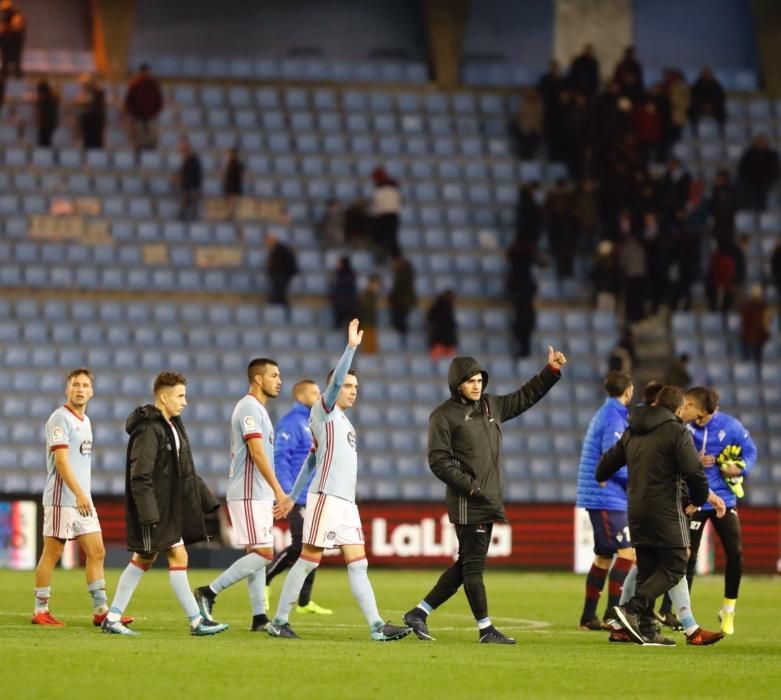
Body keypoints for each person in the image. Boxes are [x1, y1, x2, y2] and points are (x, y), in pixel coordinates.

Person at [403, 346, 566, 644]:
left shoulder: (492, 406)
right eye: (470, 381)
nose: (477, 386)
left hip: (487, 498)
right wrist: (472, 487)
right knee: (474, 566)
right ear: (457, 385)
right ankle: (486, 629)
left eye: (480, 380)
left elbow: (525, 396)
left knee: (466, 563)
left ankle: (419, 613)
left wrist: (550, 371)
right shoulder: (443, 416)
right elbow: (437, 461)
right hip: (469, 501)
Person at [267, 319, 411, 642]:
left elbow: (312, 460)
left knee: (358, 564)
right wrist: (351, 348)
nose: (353, 391)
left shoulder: (344, 424)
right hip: (326, 498)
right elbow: (314, 459)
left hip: (347, 504)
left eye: (356, 387)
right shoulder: (324, 410)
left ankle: (377, 627)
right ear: (334, 388)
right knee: (308, 560)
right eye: (347, 386)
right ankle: (278, 620)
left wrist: (291, 495)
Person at [101, 372, 229, 636]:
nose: (185, 402)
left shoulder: (172, 425)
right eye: (180, 396)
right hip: (154, 510)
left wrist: (206, 499)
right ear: (163, 396)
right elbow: (140, 474)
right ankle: (196, 621)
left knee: (145, 559)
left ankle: (113, 617)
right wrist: (148, 512)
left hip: (167, 509)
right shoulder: (148, 428)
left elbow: (185, 468)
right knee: (172, 556)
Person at [597, 385, 710, 646]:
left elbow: (605, 465)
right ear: (679, 408)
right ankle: (631, 609)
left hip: (636, 510)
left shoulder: (632, 430)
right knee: (676, 564)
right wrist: (699, 499)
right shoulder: (677, 431)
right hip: (667, 510)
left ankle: (646, 629)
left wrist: (602, 477)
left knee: (647, 569)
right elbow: (694, 471)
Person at [194, 359, 289, 632]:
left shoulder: (258, 409)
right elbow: (257, 452)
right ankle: (209, 592)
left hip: (257, 492)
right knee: (263, 553)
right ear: (258, 379)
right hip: (249, 491)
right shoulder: (248, 407)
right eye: (274, 375)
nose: (278, 380)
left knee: (256, 553)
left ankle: (259, 617)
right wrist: (280, 492)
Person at [33, 369, 131, 628]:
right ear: (67, 389)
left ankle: (100, 610)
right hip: (61, 498)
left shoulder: (85, 421)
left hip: (81, 498)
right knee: (52, 552)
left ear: (92, 392)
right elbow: (61, 461)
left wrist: (82, 494)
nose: (80, 389)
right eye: (75, 384)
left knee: (97, 551)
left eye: (85, 385)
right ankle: (40, 610)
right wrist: (77, 493)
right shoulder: (59, 419)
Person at [681, 386, 758, 636]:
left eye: (704, 416)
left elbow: (751, 451)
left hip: (724, 499)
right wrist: (694, 460)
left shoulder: (731, 426)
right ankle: (683, 614)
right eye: (698, 416)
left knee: (735, 553)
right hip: (696, 499)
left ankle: (728, 610)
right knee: (686, 558)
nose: (699, 420)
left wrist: (740, 468)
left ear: (711, 412)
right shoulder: (685, 425)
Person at [264, 379, 332, 615]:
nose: (319, 395)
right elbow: (280, 459)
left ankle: (304, 602)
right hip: (297, 496)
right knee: (299, 544)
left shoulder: (315, 423)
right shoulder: (291, 423)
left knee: (315, 545)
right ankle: (265, 579)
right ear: (301, 396)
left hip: (315, 495)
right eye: (314, 392)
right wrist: (285, 494)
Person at [575, 371, 635, 631]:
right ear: (629, 391)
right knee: (627, 552)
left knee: (603, 556)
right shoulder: (614, 417)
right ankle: (614, 616)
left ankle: (589, 617)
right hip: (607, 497)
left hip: (601, 495)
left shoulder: (607, 413)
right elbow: (613, 458)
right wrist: (635, 481)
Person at [124, 63, 164, 152]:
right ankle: (140, 156)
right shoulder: (135, 85)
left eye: (147, 72)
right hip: (138, 117)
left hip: (151, 116)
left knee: (152, 139)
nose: (146, 74)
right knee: (140, 140)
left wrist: (154, 112)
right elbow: (129, 101)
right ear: (141, 72)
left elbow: (159, 101)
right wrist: (135, 113)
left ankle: (151, 157)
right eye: (144, 72)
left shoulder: (154, 85)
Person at [738, 134, 780, 212]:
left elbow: (775, 169)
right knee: (751, 202)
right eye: (760, 141)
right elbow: (743, 168)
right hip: (751, 183)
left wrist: (771, 179)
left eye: (763, 141)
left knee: (763, 202)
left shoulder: (771, 154)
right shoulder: (749, 154)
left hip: (765, 183)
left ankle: (762, 214)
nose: (761, 142)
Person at [370, 166, 401, 259]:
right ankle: (395, 256)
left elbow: (377, 205)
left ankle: (383, 256)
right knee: (392, 237)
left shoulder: (379, 190)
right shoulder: (394, 188)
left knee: (382, 236)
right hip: (393, 214)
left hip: (383, 215)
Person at [387, 255, 416, 345]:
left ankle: (401, 340)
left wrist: (392, 298)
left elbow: (399, 288)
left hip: (401, 302)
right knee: (401, 321)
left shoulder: (403, 274)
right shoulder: (407, 273)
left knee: (400, 321)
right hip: (403, 301)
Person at [265, 232, 298, 308]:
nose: (267, 243)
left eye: (269, 240)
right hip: (279, 276)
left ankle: (282, 310)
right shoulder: (276, 249)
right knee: (279, 295)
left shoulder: (281, 249)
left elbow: (287, 263)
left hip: (282, 276)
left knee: (278, 295)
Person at [75, 74, 105, 150]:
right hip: (93, 118)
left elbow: (86, 102)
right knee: (90, 140)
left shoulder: (96, 92)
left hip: (93, 119)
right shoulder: (94, 92)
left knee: (93, 140)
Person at [426, 289, 458, 360]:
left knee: (442, 362)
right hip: (441, 340)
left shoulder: (436, 307)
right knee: (448, 363)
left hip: (440, 340)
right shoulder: (444, 309)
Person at [177, 139, 202, 221]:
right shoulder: (187, 160)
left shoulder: (193, 160)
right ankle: (184, 216)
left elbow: (194, 175)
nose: (181, 152)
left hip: (191, 186)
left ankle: (191, 218)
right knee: (186, 202)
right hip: (187, 186)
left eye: (182, 150)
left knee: (190, 202)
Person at [0, 0, 24, 79]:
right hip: (6, 47)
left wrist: (5, 29)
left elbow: (17, 27)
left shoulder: (16, 14)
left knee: (16, 70)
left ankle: (17, 90)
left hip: (14, 47)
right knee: (5, 70)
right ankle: (2, 89)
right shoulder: (5, 15)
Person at [358, 274, 381, 354]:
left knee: (372, 347)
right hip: (366, 323)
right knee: (368, 348)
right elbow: (366, 309)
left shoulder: (372, 295)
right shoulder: (367, 295)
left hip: (370, 323)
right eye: (376, 284)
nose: (377, 286)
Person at [34, 79, 59, 148]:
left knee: (44, 143)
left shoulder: (43, 101)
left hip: (45, 124)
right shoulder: (52, 99)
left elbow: (40, 113)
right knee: (46, 142)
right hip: (51, 124)